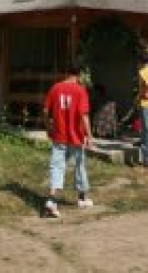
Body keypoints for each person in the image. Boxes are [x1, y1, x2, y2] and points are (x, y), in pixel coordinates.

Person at [43, 65, 93, 218]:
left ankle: (52, 201)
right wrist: (89, 136)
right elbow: (84, 115)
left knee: (57, 167)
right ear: (78, 75)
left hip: (59, 135)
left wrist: (48, 127)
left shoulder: (55, 88)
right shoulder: (80, 90)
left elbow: (46, 111)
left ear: (66, 73)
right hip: (76, 137)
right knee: (80, 166)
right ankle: (82, 198)